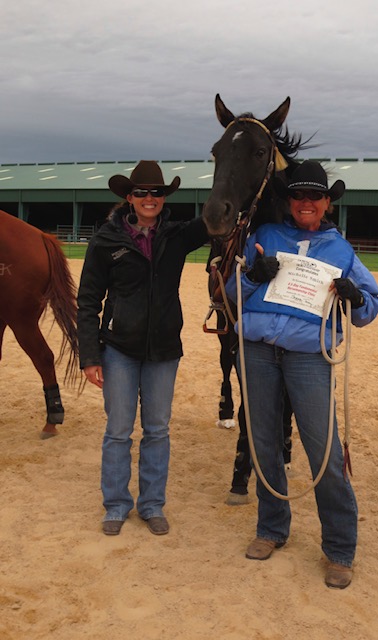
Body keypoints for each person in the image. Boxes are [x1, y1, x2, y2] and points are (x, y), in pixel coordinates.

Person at [225, 160, 378, 588]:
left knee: (324, 449)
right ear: (288, 201)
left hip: (308, 356)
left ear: (327, 203)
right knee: (262, 443)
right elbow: (230, 292)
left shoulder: (341, 250)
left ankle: (339, 547)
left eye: (315, 196)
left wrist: (353, 296)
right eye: (298, 196)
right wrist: (255, 277)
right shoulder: (265, 237)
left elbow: (371, 306)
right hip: (256, 350)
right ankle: (271, 527)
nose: (306, 202)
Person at [77, 160, 209, 536]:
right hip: (118, 349)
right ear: (129, 197)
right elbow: (88, 301)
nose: (150, 198)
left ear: (164, 197)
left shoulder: (179, 235)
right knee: (118, 430)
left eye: (157, 192)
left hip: (164, 350)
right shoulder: (105, 240)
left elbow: (219, 216)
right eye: (142, 192)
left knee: (157, 430)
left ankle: (152, 505)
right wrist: (89, 356)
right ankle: (117, 505)